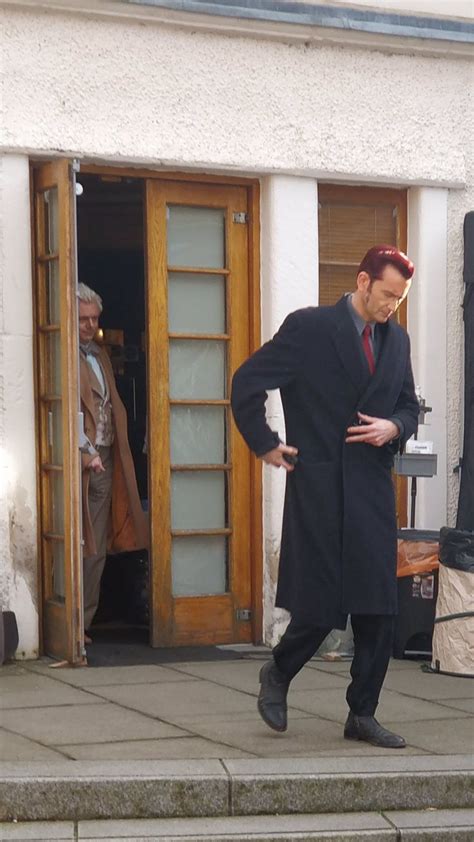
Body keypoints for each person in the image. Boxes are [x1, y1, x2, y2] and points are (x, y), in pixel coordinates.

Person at [231, 245, 419, 748]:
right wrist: (266, 444)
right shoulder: (309, 328)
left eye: (399, 300)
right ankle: (278, 672)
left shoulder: (396, 341)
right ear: (362, 281)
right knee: (320, 605)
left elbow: (407, 406)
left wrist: (394, 426)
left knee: (379, 607)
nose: (391, 307)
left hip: (372, 491)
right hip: (319, 488)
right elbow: (247, 382)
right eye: (386, 295)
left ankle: (362, 714)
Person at [78, 283, 148, 645]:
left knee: (97, 543)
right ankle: (67, 625)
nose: (90, 325)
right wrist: (84, 450)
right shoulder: (61, 352)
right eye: (83, 319)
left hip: (105, 457)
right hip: (76, 459)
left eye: (94, 319)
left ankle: (82, 623)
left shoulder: (100, 354)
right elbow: (64, 409)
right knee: (75, 540)